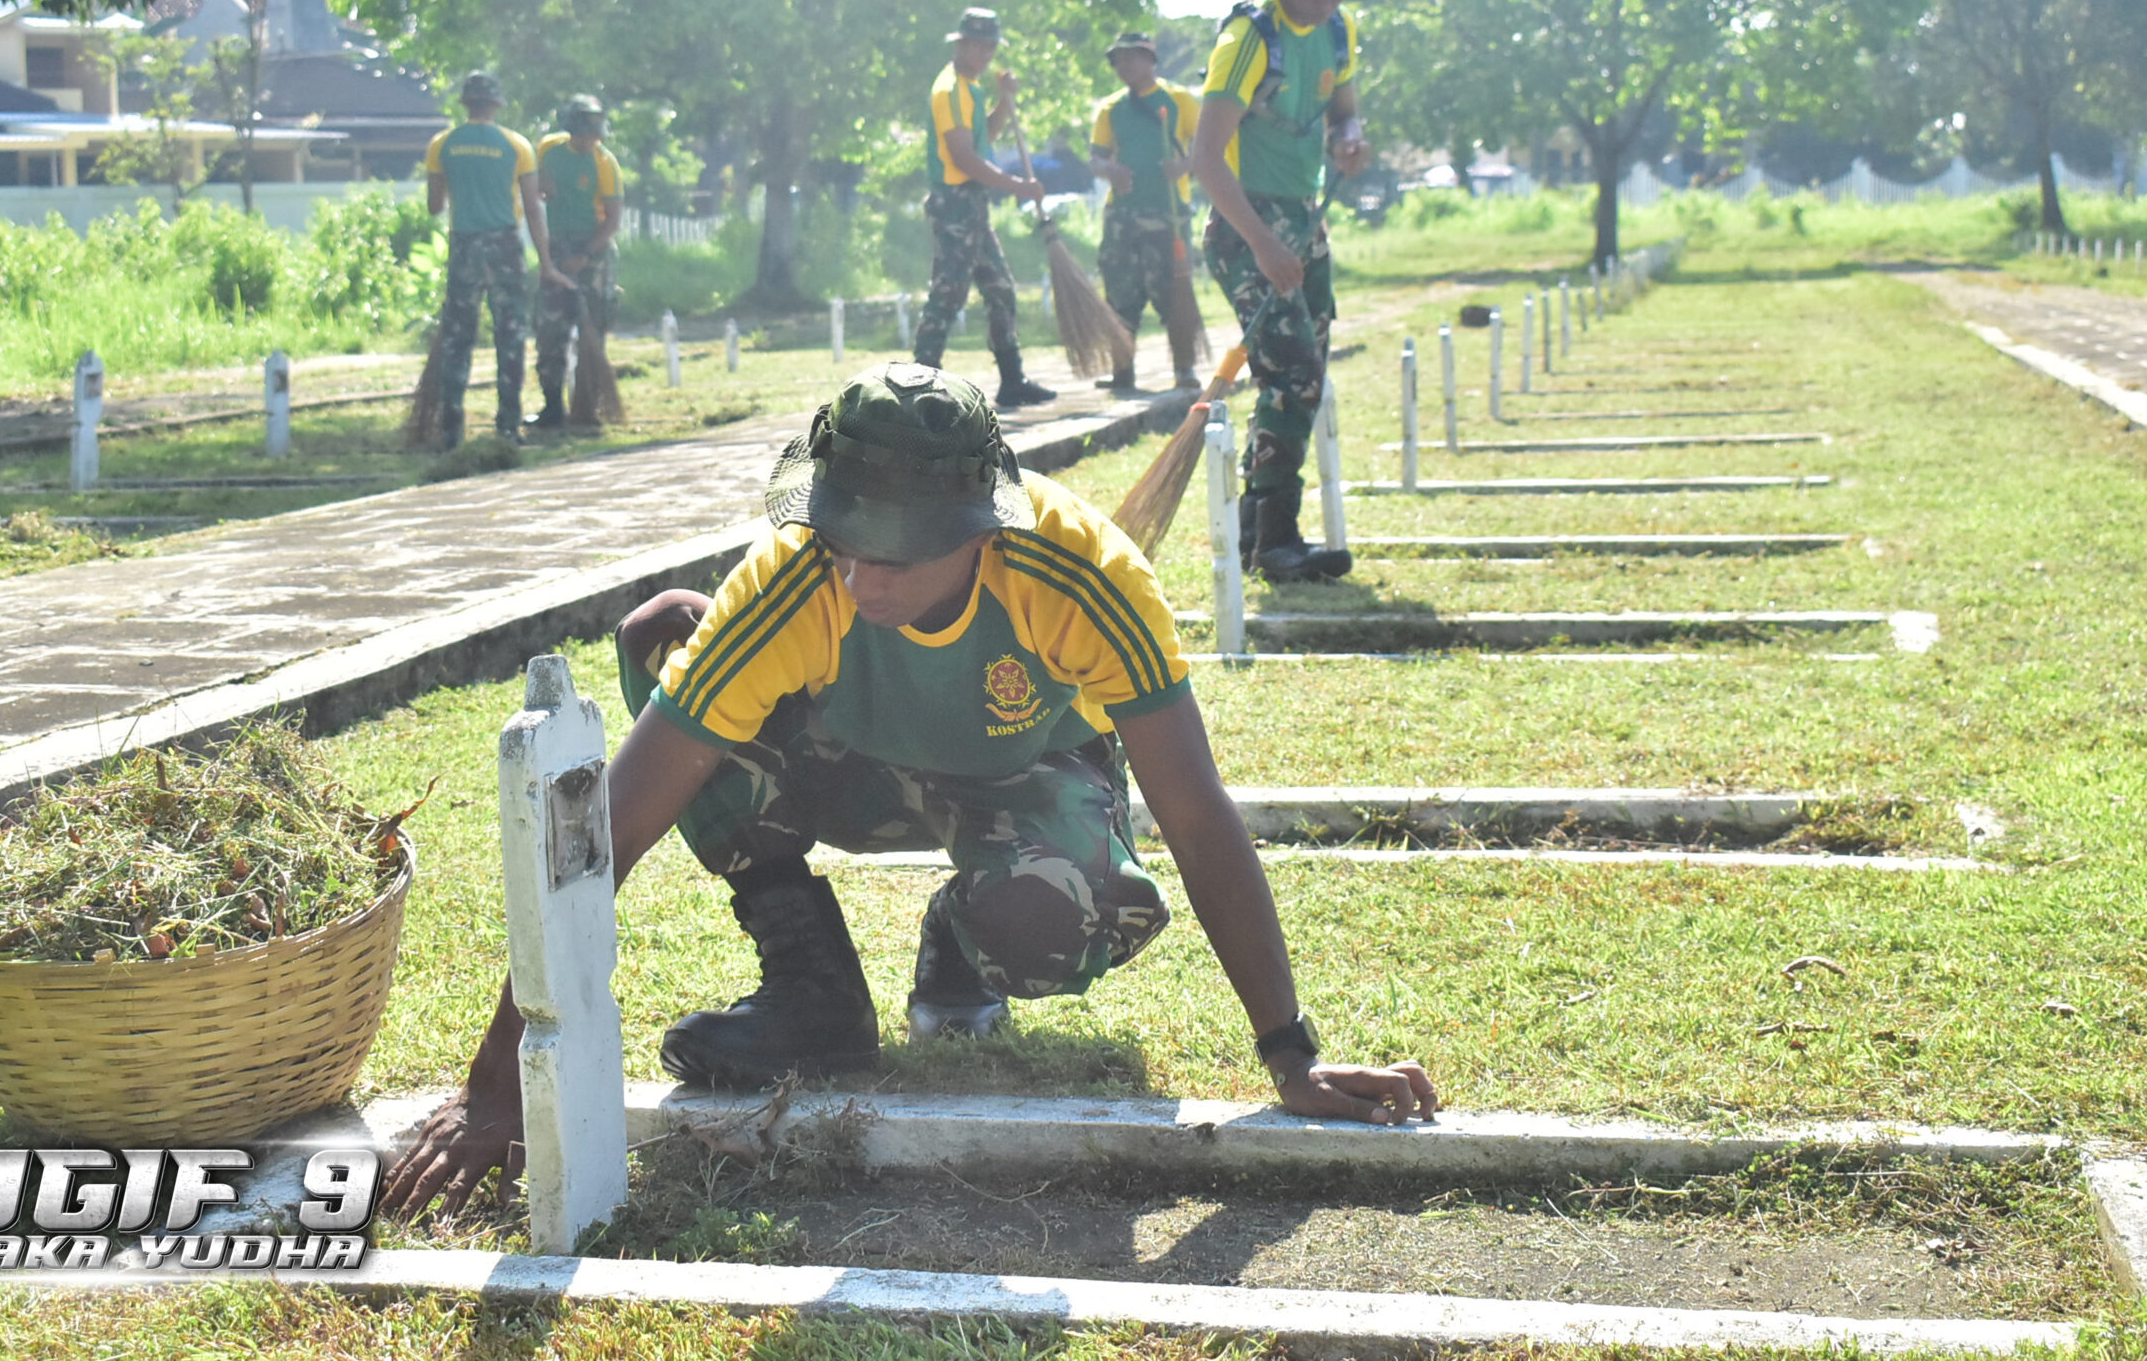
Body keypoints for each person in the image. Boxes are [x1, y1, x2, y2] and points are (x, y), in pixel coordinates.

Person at [382, 362, 1438, 1219]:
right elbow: (613, 819)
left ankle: (962, 938)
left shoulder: (1085, 577)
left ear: (981, 527)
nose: (860, 577)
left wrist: (1290, 1054)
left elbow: (1197, 815)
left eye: (894, 554)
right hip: (855, 769)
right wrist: (500, 1086)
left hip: (1025, 777)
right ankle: (812, 987)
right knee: (668, 635)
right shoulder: (797, 575)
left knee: (1064, 915)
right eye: (844, 539)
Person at [1190, 0, 1373, 584]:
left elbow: (1344, 111)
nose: (1327, 1)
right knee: (1294, 374)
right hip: (1245, 224)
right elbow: (1205, 158)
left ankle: (1257, 534)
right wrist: (1263, 245)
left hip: (1304, 217)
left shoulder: (1338, 30)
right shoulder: (1248, 38)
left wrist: (1349, 139)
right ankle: (1277, 539)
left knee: (1298, 377)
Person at [912, 9, 1055, 409]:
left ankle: (1012, 379)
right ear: (961, 44)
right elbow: (964, 158)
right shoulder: (948, 90)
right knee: (948, 292)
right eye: (978, 45)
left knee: (1000, 288)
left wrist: (1004, 102)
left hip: (973, 203)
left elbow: (984, 138)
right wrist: (1018, 186)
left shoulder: (971, 89)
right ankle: (919, 384)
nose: (985, 54)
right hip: (954, 204)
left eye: (990, 47)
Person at [423, 73, 547, 448]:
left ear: (465, 104)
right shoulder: (517, 145)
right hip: (505, 245)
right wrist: (547, 260)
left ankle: (451, 430)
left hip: (464, 245)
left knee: (458, 338)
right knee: (510, 335)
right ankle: (507, 426)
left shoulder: (442, 144)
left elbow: (434, 206)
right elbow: (532, 207)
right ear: (495, 105)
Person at [1088, 31, 1203, 390]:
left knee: (1173, 291)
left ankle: (1184, 368)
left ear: (1149, 59)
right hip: (1121, 215)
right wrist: (1111, 171)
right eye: (1117, 60)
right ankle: (1122, 371)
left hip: (1169, 213)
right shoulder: (1111, 108)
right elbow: (1095, 158)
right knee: (1120, 293)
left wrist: (1184, 166)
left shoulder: (1180, 100)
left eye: (1130, 57)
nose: (1123, 65)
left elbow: (1207, 146)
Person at [530, 94, 625, 429]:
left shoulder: (605, 163)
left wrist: (584, 255)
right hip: (557, 247)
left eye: (595, 135)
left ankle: (588, 408)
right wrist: (541, 184)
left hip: (594, 249)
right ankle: (552, 407)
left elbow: (612, 220)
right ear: (571, 130)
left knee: (592, 333)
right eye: (584, 135)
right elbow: (535, 184)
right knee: (549, 330)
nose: (590, 141)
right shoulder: (548, 149)